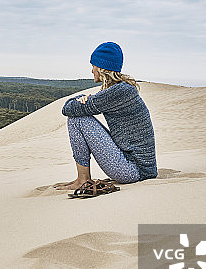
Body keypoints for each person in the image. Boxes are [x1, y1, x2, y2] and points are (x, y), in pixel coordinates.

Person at [54, 42, 157, 192]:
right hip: (135, 167)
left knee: (77, 119)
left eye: (93, 65)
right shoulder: (122, 89)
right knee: (78, 116)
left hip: (134, 170)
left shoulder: (119, 92)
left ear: (102, 68)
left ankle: (83, 179)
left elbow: (68, 109)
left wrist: (83, 97)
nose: (92, 70)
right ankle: (82, 178)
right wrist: (86, 99)